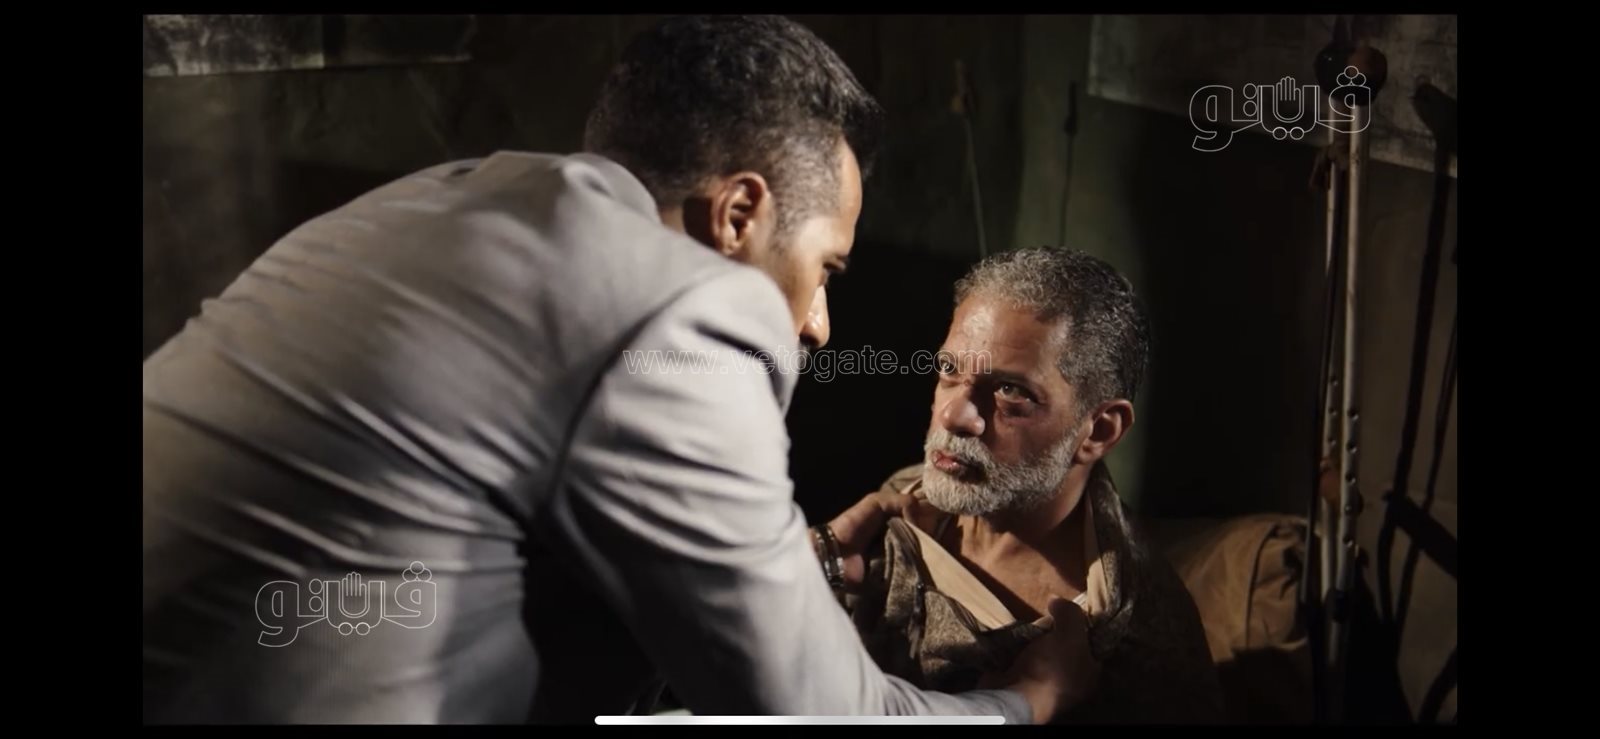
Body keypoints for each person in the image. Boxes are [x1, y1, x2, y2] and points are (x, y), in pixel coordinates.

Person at [142, 15, 1096, 724]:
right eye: (825, 270)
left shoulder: (434, 201)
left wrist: (781, 571)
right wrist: (1024, 702)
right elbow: (811, 712)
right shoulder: (678, 310)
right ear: (739, 216)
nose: (817, 323)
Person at [839, 247, 1224, 723]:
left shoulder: (1136, 642)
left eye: (1011, 392)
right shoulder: (900, 504)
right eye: (949, 371)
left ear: (1099, 431)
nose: (954, 415)